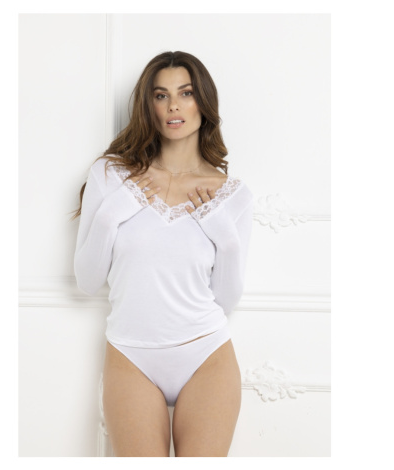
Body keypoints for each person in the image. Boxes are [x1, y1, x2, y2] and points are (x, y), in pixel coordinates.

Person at [73, 51, 254, 457]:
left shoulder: (232, 195)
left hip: (206, 353)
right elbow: (87, 282)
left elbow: (225, 301)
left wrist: (225, 239)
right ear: (149, 105)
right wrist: (111, 215)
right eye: (161, 95)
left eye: (185, 93)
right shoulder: (110, 175)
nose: (173, 105)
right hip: (130, 354)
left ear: (203, 103)